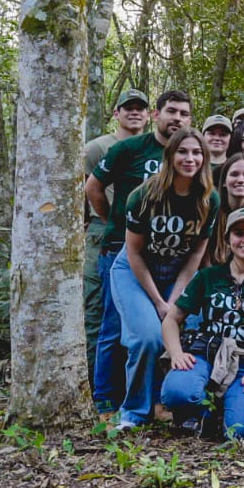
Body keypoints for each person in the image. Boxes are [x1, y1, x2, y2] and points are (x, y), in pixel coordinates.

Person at [86, 89, 193, 414]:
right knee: (113, 327)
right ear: (156, 115)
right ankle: (105, 401)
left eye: (183, 113)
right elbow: (93, 187)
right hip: (121, 250)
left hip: (167, 257)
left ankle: (156, 401)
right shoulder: (129, 149)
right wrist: (113, 222)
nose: (176, 118)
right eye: (171, 111)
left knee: (161, 327)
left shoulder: (188, 154)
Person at [110, 128, 221, 430]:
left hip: (178, 272)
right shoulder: (144, 195)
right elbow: (133, 253)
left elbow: (196, 256)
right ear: (170, 156)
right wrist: (159, 302)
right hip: (135, 270)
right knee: (147, 337)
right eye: (183, 152)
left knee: (187, 333)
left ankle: (178, 408)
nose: (190, 158)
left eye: (197, 152)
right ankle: (133, 413)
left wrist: (174, 301)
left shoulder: (210, 199)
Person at [161, 207, 244, 438]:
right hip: (207, 353)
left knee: (242, 433)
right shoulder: (208, 276)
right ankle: (202, 413)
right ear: (228, 240)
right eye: (238, 233)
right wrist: (176, 354)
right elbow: (172, 319)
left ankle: (223, 413)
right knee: (176, 392)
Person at [82, 88, 150, 378]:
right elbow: (88, 189)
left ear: (149, 115)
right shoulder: (98, 148)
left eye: (139, 108)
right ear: (116, 113)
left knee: (134, 309)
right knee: (99, 307)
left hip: (144, 235)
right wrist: (109, 218)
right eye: (128, 108)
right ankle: (94, 381)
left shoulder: (154, 146)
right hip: (104, 231)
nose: (134, 112)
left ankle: (127, 381)